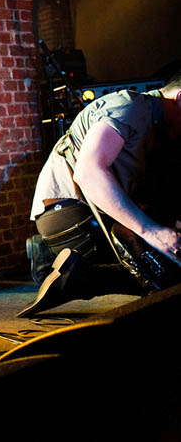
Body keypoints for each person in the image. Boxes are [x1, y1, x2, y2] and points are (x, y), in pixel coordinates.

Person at [20, 71, 181, 317]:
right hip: (71, 215)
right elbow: (88, 172)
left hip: (85, 216)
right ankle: (65, 267)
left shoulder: (155, 123)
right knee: (164, 277)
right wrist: (153, 233)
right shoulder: (130, 106)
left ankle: (61, 262)